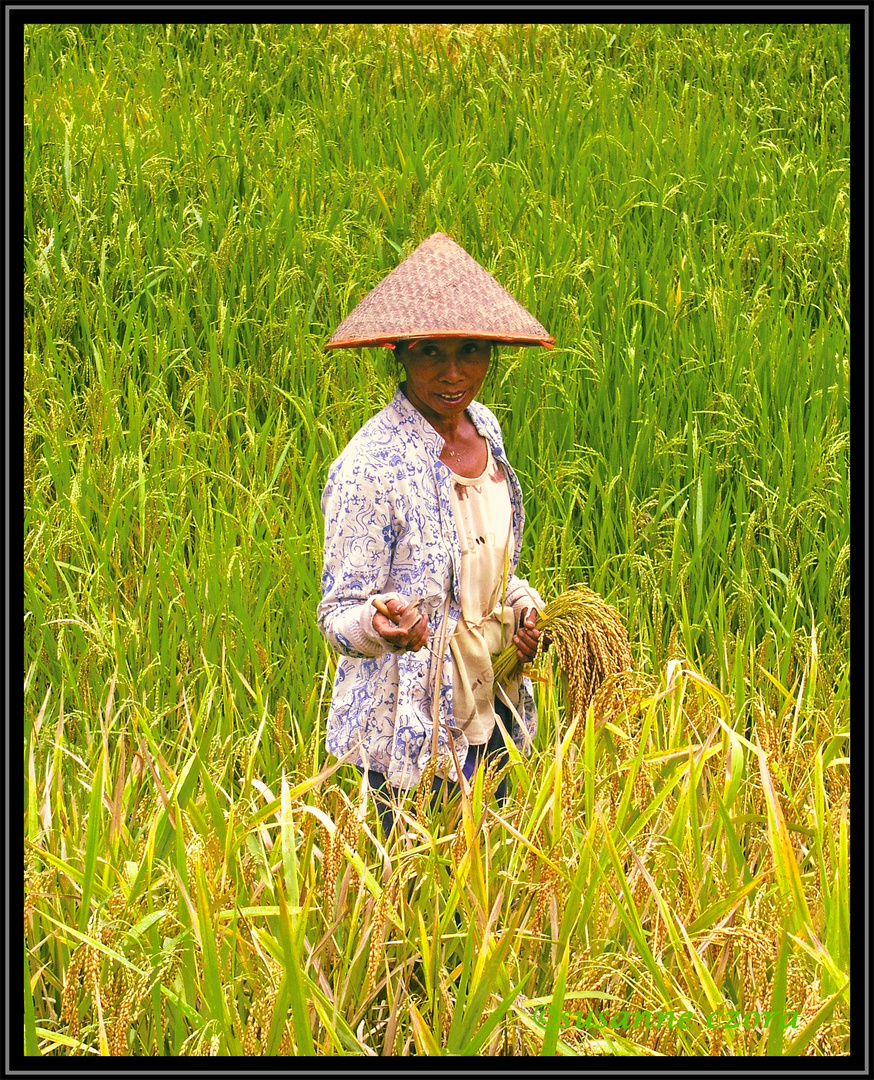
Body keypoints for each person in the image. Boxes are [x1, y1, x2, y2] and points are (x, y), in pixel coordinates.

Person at [317, 233, 554, 838]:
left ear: (491, 352)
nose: (453, 374)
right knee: (415, 904)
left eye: (470, 351)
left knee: (488, 899)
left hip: (495, 712)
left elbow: (487, 569)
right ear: (399, 354)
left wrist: (523, 611)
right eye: (430, 354)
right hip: (414, 741)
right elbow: (337, 616)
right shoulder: (370, 465)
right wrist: (382, 625)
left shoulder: (486, 430)